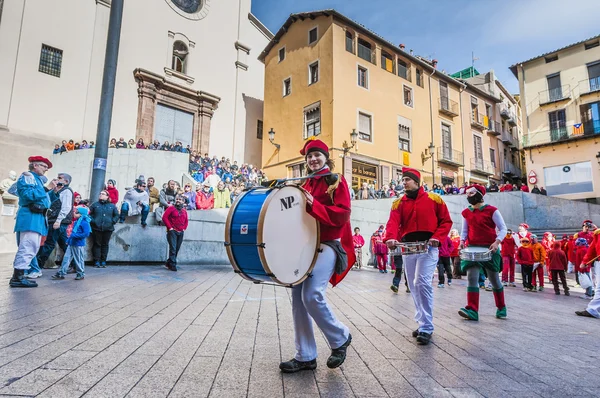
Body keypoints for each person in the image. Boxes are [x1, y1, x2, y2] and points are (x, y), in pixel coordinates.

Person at [279, 139, 354, 373]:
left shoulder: (336, 181)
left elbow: (342, 215)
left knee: (312, 295)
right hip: (305, 247)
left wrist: (314, 206)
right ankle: (305, 356)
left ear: (325, 157)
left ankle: (340, 337)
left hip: (328, 244)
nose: (313, 159)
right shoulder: (304, 184)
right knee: (298, 301)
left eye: (317, 155)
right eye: (309, 156)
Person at [384, 167, 452, 345]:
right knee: (413, 286)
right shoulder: (398, 203)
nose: (404, 182)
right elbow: (393, 222)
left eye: (407, 179)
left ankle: (426, 327)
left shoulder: (435, 199)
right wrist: (390, 238)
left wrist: (437, 238)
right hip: (408, 248)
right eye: (403, 179)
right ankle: (422, 322)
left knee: (421, 282)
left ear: (417, 181)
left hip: (428, 247)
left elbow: (446, 221)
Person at [457, 184, 508, 321]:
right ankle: (472, 309)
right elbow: (465, 231)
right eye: (467, 193)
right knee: (471, 278)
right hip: (472, 249)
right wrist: (462, 241)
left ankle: (501, 307)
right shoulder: (466, 212)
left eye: (472, 193)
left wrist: (497, 242)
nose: (468, 195)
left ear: (480, 194)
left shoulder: (492, 210)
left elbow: (503, 228)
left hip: (490, 248)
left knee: (494, 280)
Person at [10, 156, 52, 287]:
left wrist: (53, 192)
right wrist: (46, 189)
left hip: (36, 218)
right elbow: (27, 195)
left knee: (31, 247)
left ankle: (20, 275)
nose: (46, 169)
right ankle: (17, 277)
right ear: (35, 165)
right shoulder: (28, 177)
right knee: (27, 246)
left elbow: (44, 200)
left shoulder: (36, 180)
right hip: (31, 217)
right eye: (44, 166)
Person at [36, 173, 74, 269]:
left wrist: (58, 220)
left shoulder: (66, 191)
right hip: (57, 221)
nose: (57, 179)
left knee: (49, 243)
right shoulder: (60, 190)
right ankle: (75, 265)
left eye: (60, 178)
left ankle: (38, 265)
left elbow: (66, 207)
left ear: (66, 181)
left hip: (58, 221)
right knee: (63, 243)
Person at [52, 206, 91, 280]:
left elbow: (86, 234)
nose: (74, 213)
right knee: (66, 258)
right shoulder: (77, 222)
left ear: (81, 214)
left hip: (78, 244)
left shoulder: (85, 222)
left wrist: (74, 236)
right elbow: (74, 232)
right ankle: (61, 273)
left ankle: (80, 273)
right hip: (72, 243)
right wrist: (68, 240)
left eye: (76, 212)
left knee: (78, 259)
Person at [89, 190, 119, 268]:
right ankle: (96, 261)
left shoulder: (112, 206)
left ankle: (103, 261)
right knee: (97, 244)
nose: (101, 195)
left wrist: (112, 221)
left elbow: (116, 215)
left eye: (103, 194)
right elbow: (88, 215)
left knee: (105, 244)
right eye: (100, 193)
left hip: (108, 228)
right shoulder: (95, 205)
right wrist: (93, 221)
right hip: (96, 228)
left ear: (107, 196)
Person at [576, 228, 600, 318]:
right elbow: (592, 249)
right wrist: (585, 261)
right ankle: (592, 309)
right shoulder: (598, 234)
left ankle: (593, 309)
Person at [162, 195, 189, 272]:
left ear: (183, 202)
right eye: (177, 199)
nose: (178, 200)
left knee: (177, 248)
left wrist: (184, 228)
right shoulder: (171, 208)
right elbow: (164, 217)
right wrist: (170, 228)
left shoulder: (184, 211)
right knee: (173, 248)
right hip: (172, 231)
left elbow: (186, 221)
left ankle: (169, 262)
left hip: (181, 232)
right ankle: (173, 264)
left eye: (180, 199)